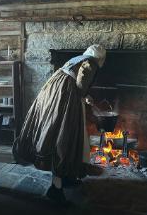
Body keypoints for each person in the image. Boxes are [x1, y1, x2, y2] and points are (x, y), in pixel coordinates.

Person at [13, 44, 106, 204]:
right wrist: (85, 94)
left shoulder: (77, 59)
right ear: (100, 57)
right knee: (63, 139)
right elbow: (81, 84)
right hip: (65, 101)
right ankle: (56, 189)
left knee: (58, 135)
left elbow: (73, 78)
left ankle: (67, 178)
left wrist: (84, 96)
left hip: (52, 94)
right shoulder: (90, 63)